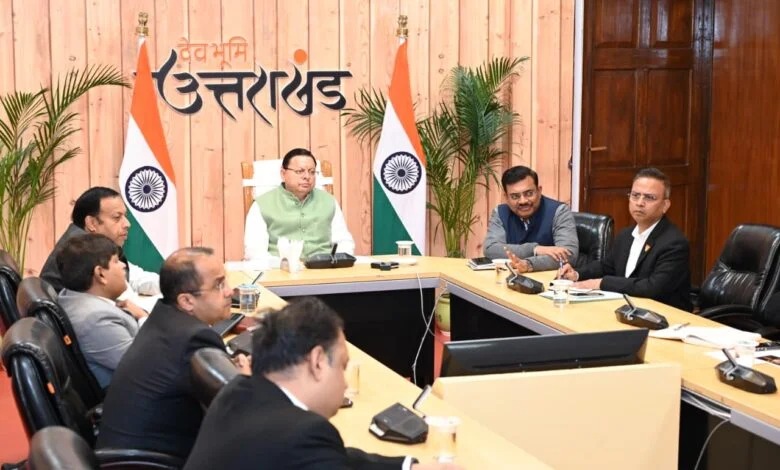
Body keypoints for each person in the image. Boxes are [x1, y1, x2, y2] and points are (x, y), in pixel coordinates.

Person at [184, 297, 460, 470]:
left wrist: (409, 467)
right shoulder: (304, 433)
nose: (344, 384)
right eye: (341, 366)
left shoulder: (238, 392)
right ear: (317, 362)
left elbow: (337, 458)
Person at [97, 247, 249, 460]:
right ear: (186, 301)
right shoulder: (194, 338)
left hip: (128, 451)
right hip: (151, 461)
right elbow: (239, 409)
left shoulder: (164, 320)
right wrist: (245, 378)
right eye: (219, 285)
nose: (230, 291)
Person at [559, 168, 692, 311]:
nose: (639, 203)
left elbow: (653, 287)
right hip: (627, 309)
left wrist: (601, 283)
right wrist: (576, 274)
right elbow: (606, 267)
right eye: (635, 195)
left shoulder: (674, 243)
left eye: (649, 198)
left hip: (663, 315)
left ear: (665, 206)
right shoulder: (626, 235)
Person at [55, 233, 143, 389]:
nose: (123, 265)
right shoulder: (97, 320)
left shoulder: (69, 295)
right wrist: (143, 317)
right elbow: (146, 367)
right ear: (100, 274)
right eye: (116, 261)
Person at [41, 186, 159, 296]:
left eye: (125, 216)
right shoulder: (82, 252)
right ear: (92, 223)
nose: (127, 224)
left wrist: (169, 284)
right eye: (117, 217)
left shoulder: (90, 244)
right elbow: (124, 299)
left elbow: (133, 277)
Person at [244, 148, 355, 261]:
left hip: (323, 267)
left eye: (312, 172)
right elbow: (255, 251)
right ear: (283, 173)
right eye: (300, 171)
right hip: (279, 268)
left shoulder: (329, 201)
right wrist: (285, 265)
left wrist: (337, 262)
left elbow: (343, 242)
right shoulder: (261, 205)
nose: (307, 176)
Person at [484, 166, 578, 272]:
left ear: (539, 191)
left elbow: (569, 255)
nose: (523, 201)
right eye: (515, 196)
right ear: (506, 197)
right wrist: (535, 249)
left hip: (549, 279)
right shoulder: (500, 213)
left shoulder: (559, 211)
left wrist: (528, 264)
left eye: (529, 193)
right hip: (509, 278)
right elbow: (491, 249)